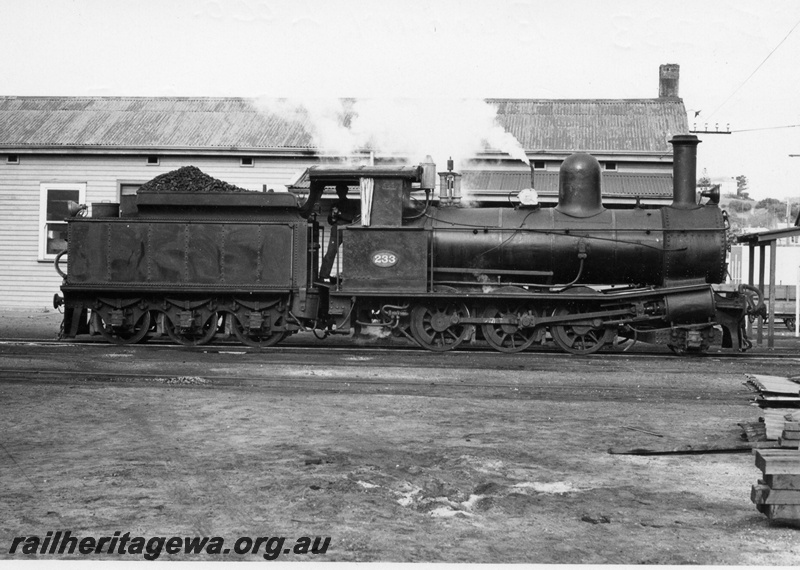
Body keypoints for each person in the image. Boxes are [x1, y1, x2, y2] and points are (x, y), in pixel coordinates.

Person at [319, 183, 356, 281]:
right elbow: (330, 221)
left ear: (346, 191)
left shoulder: (351, 203)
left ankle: (351, 276)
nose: (340, 193)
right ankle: (323, 275)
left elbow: (352, 217)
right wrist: (333, 216)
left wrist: (339, 213)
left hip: (348, 230)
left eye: (342, 191)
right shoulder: (334, 204)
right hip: (336, 230)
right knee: (330, 252)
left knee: (351, 254)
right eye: (339, 191)